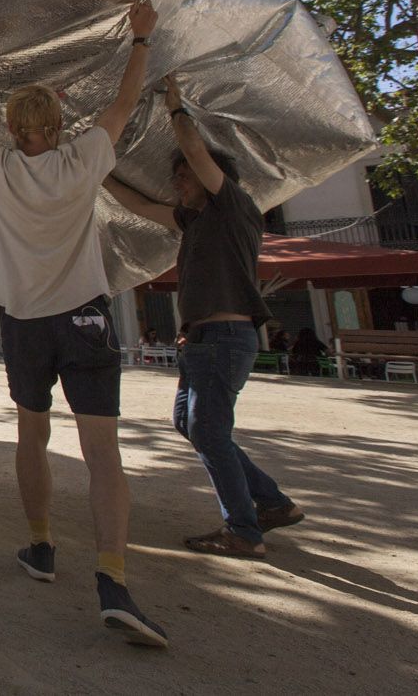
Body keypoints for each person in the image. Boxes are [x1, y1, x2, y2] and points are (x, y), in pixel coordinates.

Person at [0, 0, 168, 649]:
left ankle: (42, 546)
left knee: (31, 434)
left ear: (15, 126)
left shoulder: (0, 165)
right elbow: (123, 107)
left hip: (24, 323)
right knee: (102, 453)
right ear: (60, 122)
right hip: (84, 318)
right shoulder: (81, 162)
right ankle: (113, 579)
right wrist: (140, 40)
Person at [103, 77, 304, 561]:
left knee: (209, 431)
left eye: (184, 178)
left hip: (225, 335)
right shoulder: (194, 221)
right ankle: (272, 503)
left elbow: (195, 153)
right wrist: (96, 169)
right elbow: (141, 206)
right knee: (192, 426)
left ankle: (244, 530)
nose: (179, 183)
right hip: (201, 340)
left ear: (212, 178)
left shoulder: (234, 206)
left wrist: (175, 108)